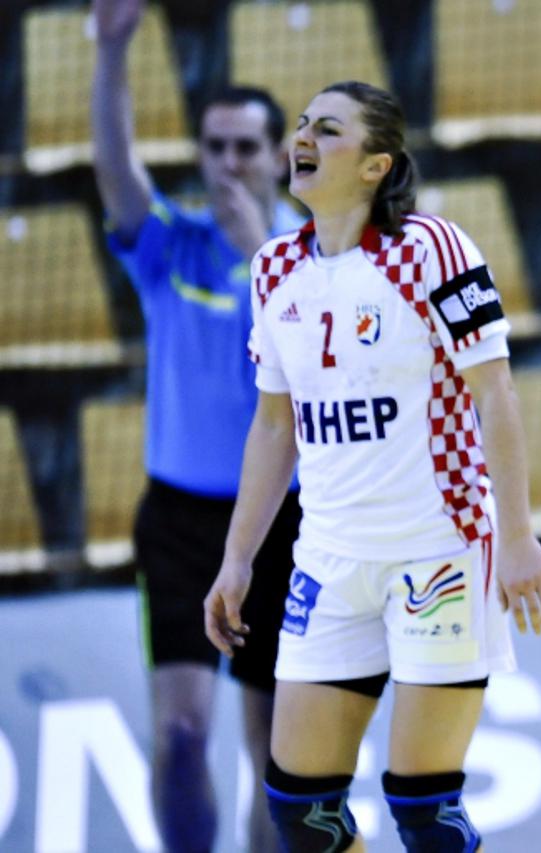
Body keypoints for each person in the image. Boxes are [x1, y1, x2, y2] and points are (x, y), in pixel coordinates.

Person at [203, 80, 541, 853]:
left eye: (327, 130)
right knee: (302, 812)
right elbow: (273, 428)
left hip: (440, 550)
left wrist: (520, 536)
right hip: (330, 560)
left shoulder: (430, 249)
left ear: (375, 164)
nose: (303, 138)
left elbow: (494, 391)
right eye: (300, 126)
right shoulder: (272, 269)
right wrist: (237, 559)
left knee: (425, 813)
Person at [90, 0, 304, 849]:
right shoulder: (168, 245)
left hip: (283, 522)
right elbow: (115, 171)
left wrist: (260, 258)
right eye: (212, 146)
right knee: (181, 736)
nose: (226, 162)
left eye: (244, 146)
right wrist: (112, 51)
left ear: (280, 156)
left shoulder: (312, 258)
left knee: (273, 749)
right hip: (180, 520)